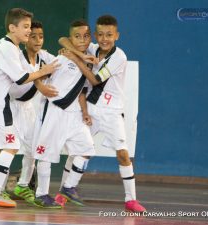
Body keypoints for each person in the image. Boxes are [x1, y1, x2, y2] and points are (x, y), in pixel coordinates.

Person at [57, 15, 146, 213]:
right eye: (101, 34)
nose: (105, 38)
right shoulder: (92, 48)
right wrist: (72, 51)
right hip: (90, 108)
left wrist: (75, 59)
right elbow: (62, 39)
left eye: (110, 35)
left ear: (117, 36)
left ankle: (131, 200)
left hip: (113, 112)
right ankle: (63, 194)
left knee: (123, 155)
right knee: (77, 152)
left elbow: (96, 80)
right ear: (96, 35)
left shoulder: (119, 56)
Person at [0, 8, 59, 207]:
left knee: (4, 146)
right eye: (26, 27)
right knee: (11, 146)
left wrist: (43, 72)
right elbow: (22, 79)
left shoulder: (13, 48)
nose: (29, 31)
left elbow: (30, 73)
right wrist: (44, 71)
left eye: (30, 27)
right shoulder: (7, 48)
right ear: (12, 28)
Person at [31, 19, 96, 209]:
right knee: (46, 155)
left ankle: (68, 187)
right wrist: (41, 86)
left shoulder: (90, 57)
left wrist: (84, 112)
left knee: (87, 150)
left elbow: (82, 90)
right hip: (55, 111)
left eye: (85, 36)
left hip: (74, 113)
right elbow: (41, 74)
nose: (82, 40)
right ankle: (41, 194)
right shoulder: (62, 57)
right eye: (77, 37)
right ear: (71, 38)